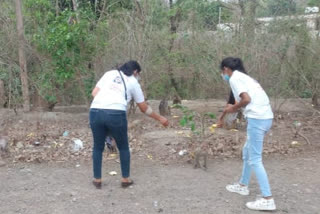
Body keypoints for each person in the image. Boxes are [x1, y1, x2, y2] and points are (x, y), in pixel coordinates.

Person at [89, 60, 169, 189]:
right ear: (135, 71)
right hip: (116, 113)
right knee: (123, 147)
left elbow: (94, 93)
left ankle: (97, 180)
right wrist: (160, 118)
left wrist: (106, 101)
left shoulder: (109, 74)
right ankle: (125, 179)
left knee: (97, 147)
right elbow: (143, 108)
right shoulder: (133, 82)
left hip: (95, 111)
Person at [218, 57, 276, 211]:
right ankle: (243, 185)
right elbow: (237, 102)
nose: (222, 74)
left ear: (225, 69)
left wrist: (232, 109)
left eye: (222, 71)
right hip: (265, 117)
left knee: (255, 159)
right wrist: (224, 115)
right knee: (247, 152)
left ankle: (267, 198)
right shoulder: (245, 78)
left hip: (258, 119)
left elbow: (246, 100)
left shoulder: (235, 79)